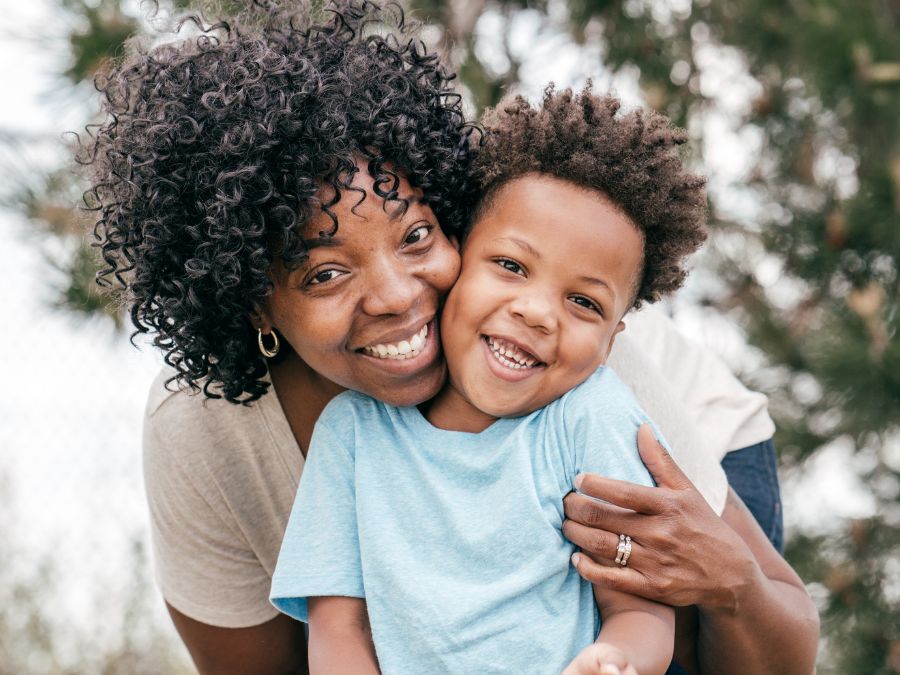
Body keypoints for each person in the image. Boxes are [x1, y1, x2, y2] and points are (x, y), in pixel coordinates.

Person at [82, 2, 818, 674]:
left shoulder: (566, 355)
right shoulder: (209, 435)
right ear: (253, 304)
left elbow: (765, 650)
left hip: (690, 461)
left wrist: (730, 583)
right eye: (327, 273)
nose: (399, 296)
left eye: (418, 235)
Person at [269, 87, 711, 675]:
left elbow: (641, 611)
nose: (536, 312)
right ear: (462, 252)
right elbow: (337, 625)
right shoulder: (351, 435)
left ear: (612, 341)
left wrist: (615, 659)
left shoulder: (593, 418)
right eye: (510, 266)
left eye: (582, 301)